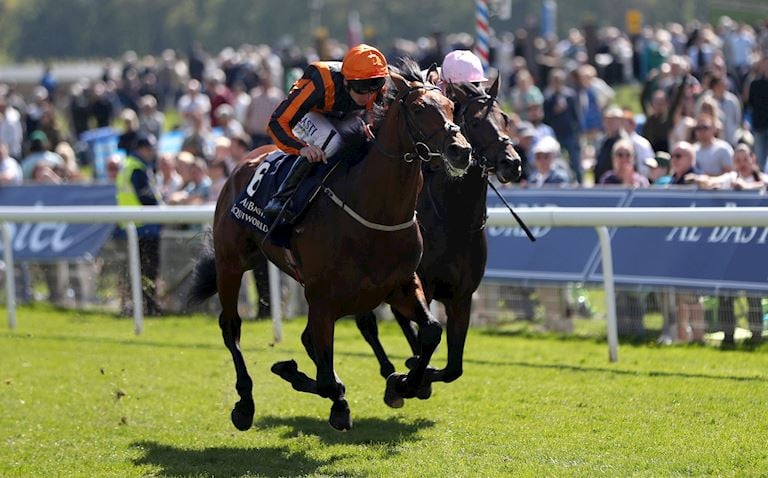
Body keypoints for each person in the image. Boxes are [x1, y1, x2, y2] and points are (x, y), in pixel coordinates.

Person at [263, 43, 389, 218]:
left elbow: (376, 118)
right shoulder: (321, 80)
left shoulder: (377, 86)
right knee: (331, 141)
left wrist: (372, 126)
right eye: (362, 88)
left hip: (343, 115)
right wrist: (302, 148)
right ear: (346, 81)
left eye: (375, 85)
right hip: (308, 113)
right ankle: (282, 197)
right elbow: (277, 122)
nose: (369, 95)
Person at [116, 133, 163, 316]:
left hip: (130, 226)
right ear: (142, 149)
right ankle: (149, 307)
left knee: (134, 270)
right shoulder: (137, 168)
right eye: (150, 149)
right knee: (148, 270)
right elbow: (145, 197)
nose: (152, 153)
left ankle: (134, 307)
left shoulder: (128, 165)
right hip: (144, 226)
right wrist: (162, 207)